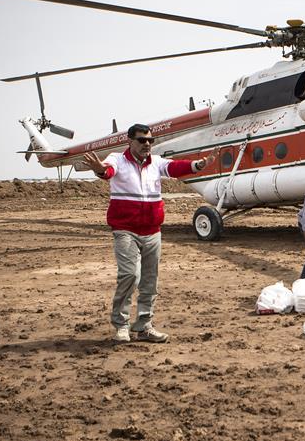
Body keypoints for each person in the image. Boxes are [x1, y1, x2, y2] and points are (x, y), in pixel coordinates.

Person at [83, 123, 214, 343]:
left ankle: (144, 327)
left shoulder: (156, 163)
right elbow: (107, 171)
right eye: (142, 140)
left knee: (149, 281)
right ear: (130, 142)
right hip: (126, 230)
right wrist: (100, 169)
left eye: (150, 141)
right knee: (130, 275)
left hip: (153, 231)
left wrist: (197, 165)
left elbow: (174, 168)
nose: (147, 144)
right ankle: (121, 325)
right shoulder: (118, 159)